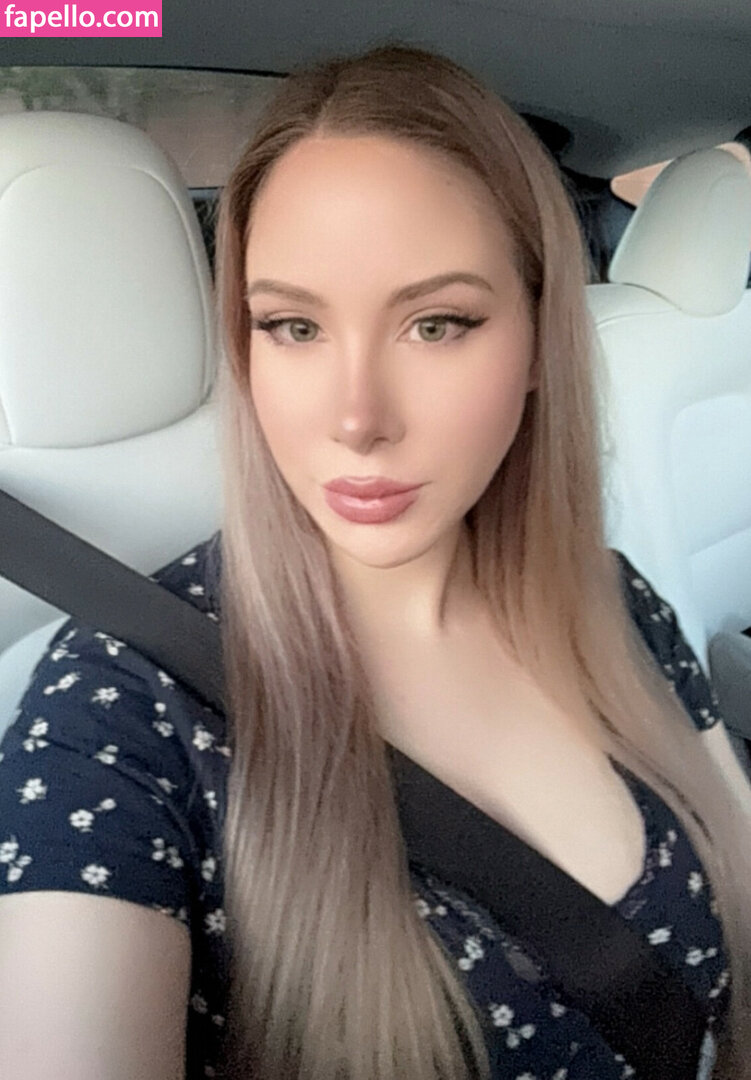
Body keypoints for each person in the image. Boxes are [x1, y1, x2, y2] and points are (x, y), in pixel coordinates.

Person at [0, 41, 749, 1080]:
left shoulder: (618, 605)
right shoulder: (118, 713)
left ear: (540, 339)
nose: (356, 419)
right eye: (292, 326)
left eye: (435, 324)